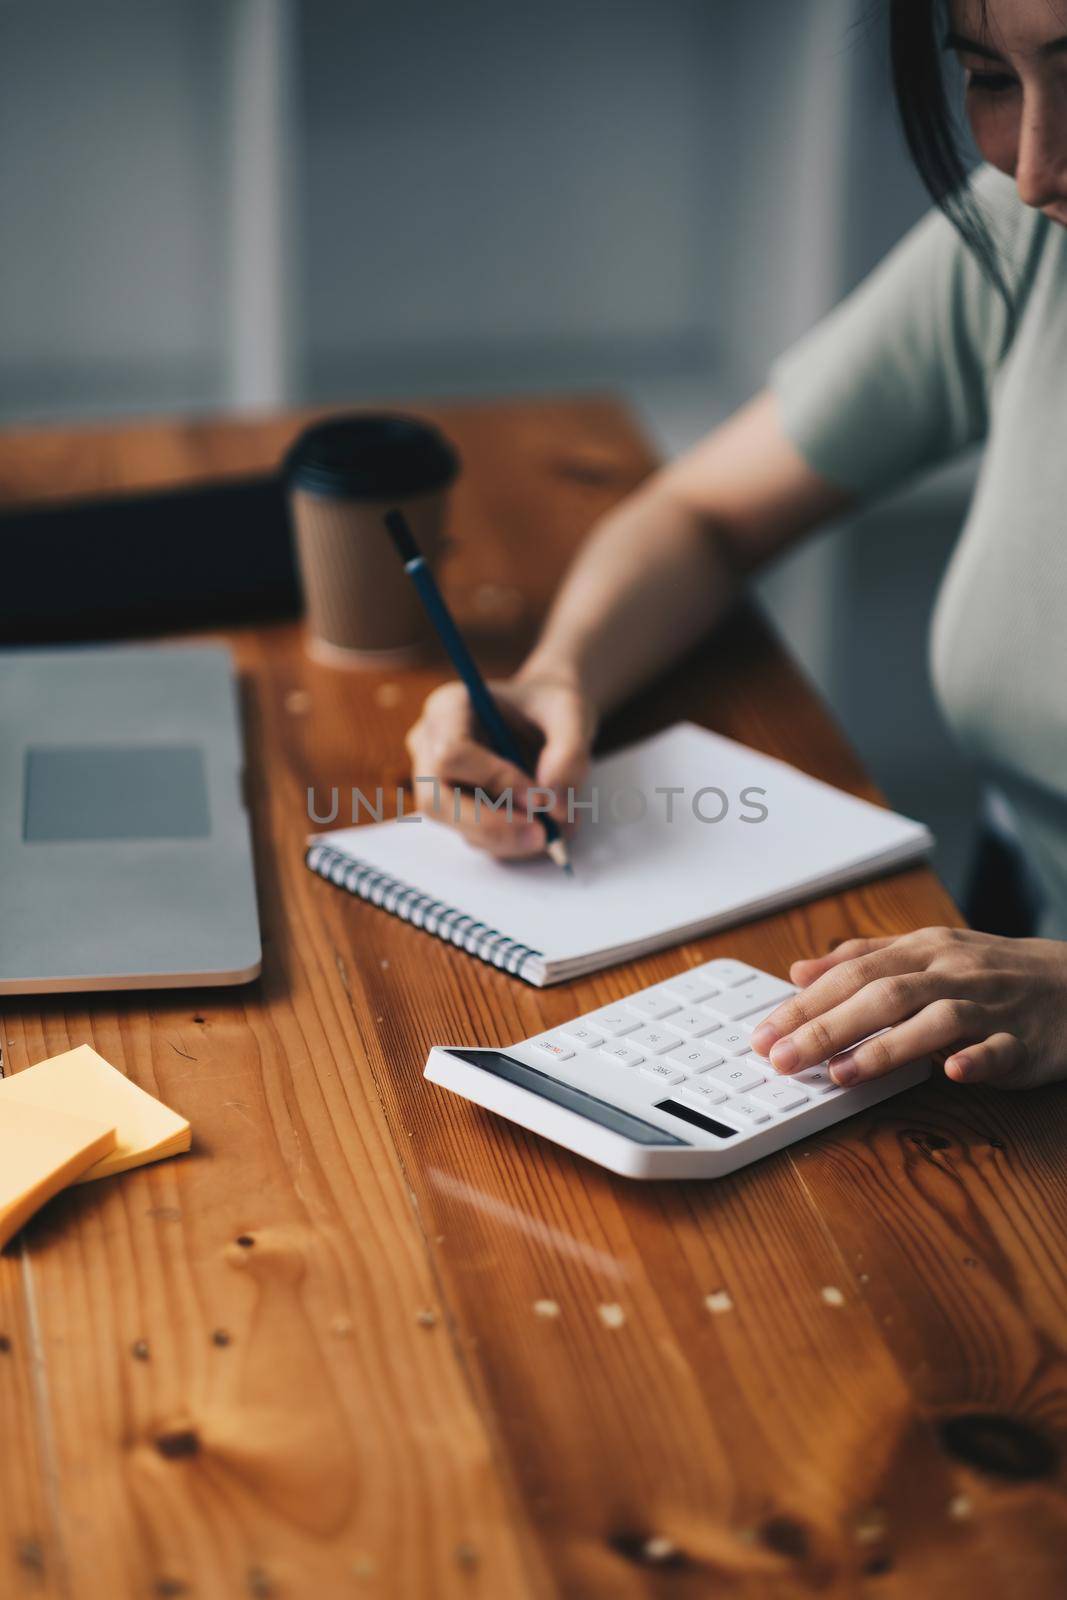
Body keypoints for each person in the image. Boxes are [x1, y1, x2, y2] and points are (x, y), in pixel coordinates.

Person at [405, 0, 1067, 1092]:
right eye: (989, 79)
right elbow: (698, 514)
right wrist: (555, 678)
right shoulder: (1023, 246)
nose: (1035, 165)